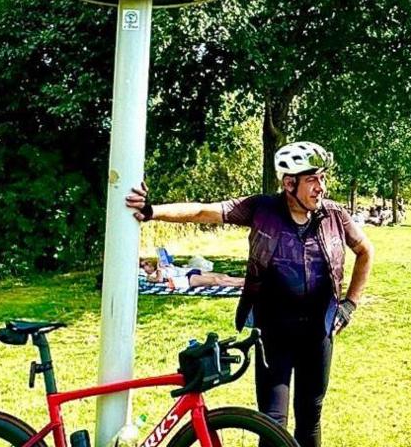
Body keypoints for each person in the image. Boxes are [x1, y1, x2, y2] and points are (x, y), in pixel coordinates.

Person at [127, 141, 372, 447]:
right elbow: (205, 211)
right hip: (275, 332)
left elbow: (365, 251)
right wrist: (152, 211)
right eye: (312, 180)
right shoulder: (262, 209)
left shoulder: (334, 215)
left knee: (310, 416)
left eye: (322, 178)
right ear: (288, 183)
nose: (320, 187)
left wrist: (349, 304)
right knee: (272, 420)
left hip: (317, 333)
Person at [139, 254, 245, 290]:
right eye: (144, 266)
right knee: (216, 280)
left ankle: (249, 280)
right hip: (186, 279)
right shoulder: (149, 275)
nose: (148, 265)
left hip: (189, 271)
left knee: (223, 275)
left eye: (147, 262)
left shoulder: (161, 267)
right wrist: (159, 268)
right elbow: (158, 280)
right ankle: (244, 284)